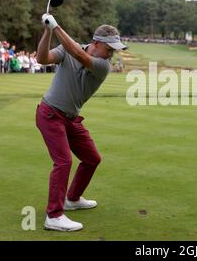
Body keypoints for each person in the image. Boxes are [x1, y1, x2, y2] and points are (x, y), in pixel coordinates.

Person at [36, 13, 128, 232]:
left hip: (70, 118)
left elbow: (78, 54)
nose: (111, 54)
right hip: (49, 113)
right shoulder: (68, 49)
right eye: (109, 49)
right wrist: (48, 31)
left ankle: (72, 199)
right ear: (96, 43)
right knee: (64, 162)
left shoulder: (102, 65)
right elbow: (42, 59)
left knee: (92, 158)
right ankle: (54, 216)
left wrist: (56, 26)